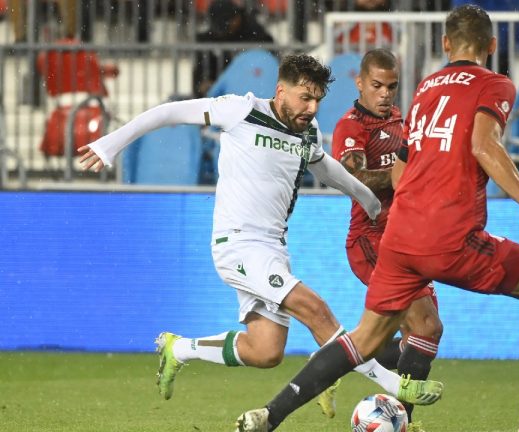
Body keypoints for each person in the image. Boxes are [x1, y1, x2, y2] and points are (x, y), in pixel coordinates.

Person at [233, 5, 519, 432]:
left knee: (369, 338)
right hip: (449, 238)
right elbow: (484, 145)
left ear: (445, 44)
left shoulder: (426, 89)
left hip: (401, 236)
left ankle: (269, 416)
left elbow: (403, 169)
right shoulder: (494, 84)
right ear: (492, 46)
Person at [77, 53, 442, 419]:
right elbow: (167, 113)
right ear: (281, 90)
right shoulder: (240, 110)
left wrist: (371, 203)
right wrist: (109, 145)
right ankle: (394, 384)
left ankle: (180, 348)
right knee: (316, 310)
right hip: (236, 244)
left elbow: (329, 170)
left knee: (265, 351)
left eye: (317, 100)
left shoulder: (306, 132)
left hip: (272, 249)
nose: (312, 108)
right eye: (305, 97)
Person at [329, 48, 443, 432]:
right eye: (376, 85)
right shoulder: (350, 128)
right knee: (422, 325)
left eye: (391, 86)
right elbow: (355, 181)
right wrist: (406, 175)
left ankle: (337, 362)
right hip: (371, 239)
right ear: (359, 83)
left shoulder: (401, 121)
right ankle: (403, 420)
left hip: (407, 238)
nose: (385, 94)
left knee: (425, 330)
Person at [194, 0, 275, 97]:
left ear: (236, 18)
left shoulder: (255, 32)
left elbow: (266, 62)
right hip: (222, 89)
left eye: (228, 23)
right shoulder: (210, 38)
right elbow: (203, 68)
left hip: (248, 86)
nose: (227, 29)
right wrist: (203, 83)